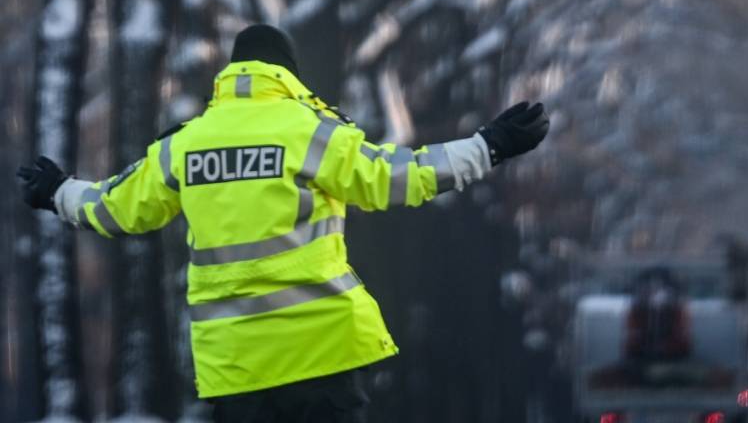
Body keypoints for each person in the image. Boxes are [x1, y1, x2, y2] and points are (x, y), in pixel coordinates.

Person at [17, 24, 550, 422]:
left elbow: (116, 208)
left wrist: (59, 191)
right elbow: (396, 178)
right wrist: (488, 146)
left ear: (232, 75)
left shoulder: (185, 144)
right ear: (288, 75)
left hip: (236, 368)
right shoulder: (308, 130)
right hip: (323, 356)